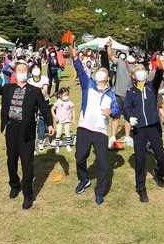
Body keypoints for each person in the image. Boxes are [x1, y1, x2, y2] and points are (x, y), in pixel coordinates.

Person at [0, 61, 54, 210]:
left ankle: (28, 194)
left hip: (27, 129)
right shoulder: (8, 88)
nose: (22, 72)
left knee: (27, 162)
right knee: (11, 159)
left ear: (28, 73)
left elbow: (45, 109)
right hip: (11, 127)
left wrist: (49, 124)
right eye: (19, 70)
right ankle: (14, 184)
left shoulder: (35, 91)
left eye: (24, 70)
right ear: (15, 73)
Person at [71, 47, 120, 205]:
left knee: (103, 164)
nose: (101, 71)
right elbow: (79, 69)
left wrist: (111, 110)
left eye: (104, 70)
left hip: (100, 131)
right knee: (80, 158)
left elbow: (117, 112)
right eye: (99, 69)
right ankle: (84, 179)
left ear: (107, 77)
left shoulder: (111, 94)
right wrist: (76, 58)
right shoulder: (88, 85)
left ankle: (99, 192)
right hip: (84, 127)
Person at [123, 62, 164, 203]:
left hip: (154, 126)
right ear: (133, 75)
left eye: (142, 69)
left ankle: (160, 173)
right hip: (139, 129)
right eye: (137, 70)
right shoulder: (131, 92)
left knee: (160, 156)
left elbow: (159, 74)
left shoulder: (151, 87)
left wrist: (161, 66)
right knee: (140, 160)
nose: (140, 71)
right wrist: (130, 117)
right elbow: (127, 107)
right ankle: (141, 188)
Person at [106, 41, 135, 148]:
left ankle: (122, 136)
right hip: (121, 95)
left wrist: (109, 46)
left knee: (123, 117)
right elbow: (110, 56)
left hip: (123, 95)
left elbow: (110, 56)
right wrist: (109, 46)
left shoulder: (130, 66)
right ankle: (116, 136)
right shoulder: (123, 63)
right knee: (119, 117)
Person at [27, 64, 50, 153]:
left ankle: (41, 142)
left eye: (37, 68)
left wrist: (36, 94)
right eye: (34, 68)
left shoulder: (44, 79)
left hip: (43, 102)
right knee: (31, 122)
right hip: (32, 104)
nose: (36, 70)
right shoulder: (29, 81)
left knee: (41, 121)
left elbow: (45, 91)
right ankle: (31, 145)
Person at [51, 87, 76, 153]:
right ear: (60, 95)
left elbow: (73, 110)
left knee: (67, 133)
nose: (66, 96)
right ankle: (57, 146)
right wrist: (55, 116)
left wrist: (73, 118)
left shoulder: (69, 102)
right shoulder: (58, 102)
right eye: (65, 95)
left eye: (67, 95)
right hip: (59, 121)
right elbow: (52, 109)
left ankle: (68, 145)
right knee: (58, 133)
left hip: (67, 120)